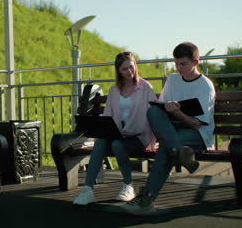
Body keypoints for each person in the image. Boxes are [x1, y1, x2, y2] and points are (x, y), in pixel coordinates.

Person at [121, 42, 216, 215]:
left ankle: (147, 199)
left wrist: (178, 113)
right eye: (176, 63)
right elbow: (162, 108)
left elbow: (197, 124)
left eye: (183, 64)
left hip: (197, 134)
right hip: (173, 130)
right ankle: (181, 152)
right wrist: (166, 108)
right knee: (153, 111)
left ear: (195, 63)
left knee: (166, 149)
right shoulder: (172, 79)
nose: (178, 68)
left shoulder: (205, 86)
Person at [73, 51, 157, 205]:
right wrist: (109, 130)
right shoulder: (114, 90)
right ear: (118, 71)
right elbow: (107, 116)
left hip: (139, 136)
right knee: (101, 141)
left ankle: (128, 185)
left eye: (131, 67)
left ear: (135, 66)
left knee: (117, 144)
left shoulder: (145, 87)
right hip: (118, 134)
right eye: (125, 69)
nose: (129, 72)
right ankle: (88, 189)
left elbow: (155, 112)